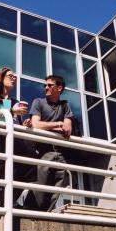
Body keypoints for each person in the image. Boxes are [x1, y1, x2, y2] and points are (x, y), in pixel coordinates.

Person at [0, 67, 36, 207]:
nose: (14, 78)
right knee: (5, 176)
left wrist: (26, 123)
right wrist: (11, 110)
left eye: (14, 77)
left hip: (15, 141)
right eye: (10, 76)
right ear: (1, 78)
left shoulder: (14, 101)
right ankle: (6, 206)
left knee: (32, 166)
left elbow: (16, 122)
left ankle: (10, 203)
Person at [27, 74, 74, 211]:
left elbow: (68, 128)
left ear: (59, 88)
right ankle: (29, 212)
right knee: (40, 190)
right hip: (44, 152)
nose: (45, 87)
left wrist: (58, 126)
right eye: (45, 85)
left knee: (56, 191)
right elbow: (36, 124)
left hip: (61, 154)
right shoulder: (38, 102)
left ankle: (46, 216)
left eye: (49, 85)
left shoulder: (65, 106)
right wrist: (58, 124)